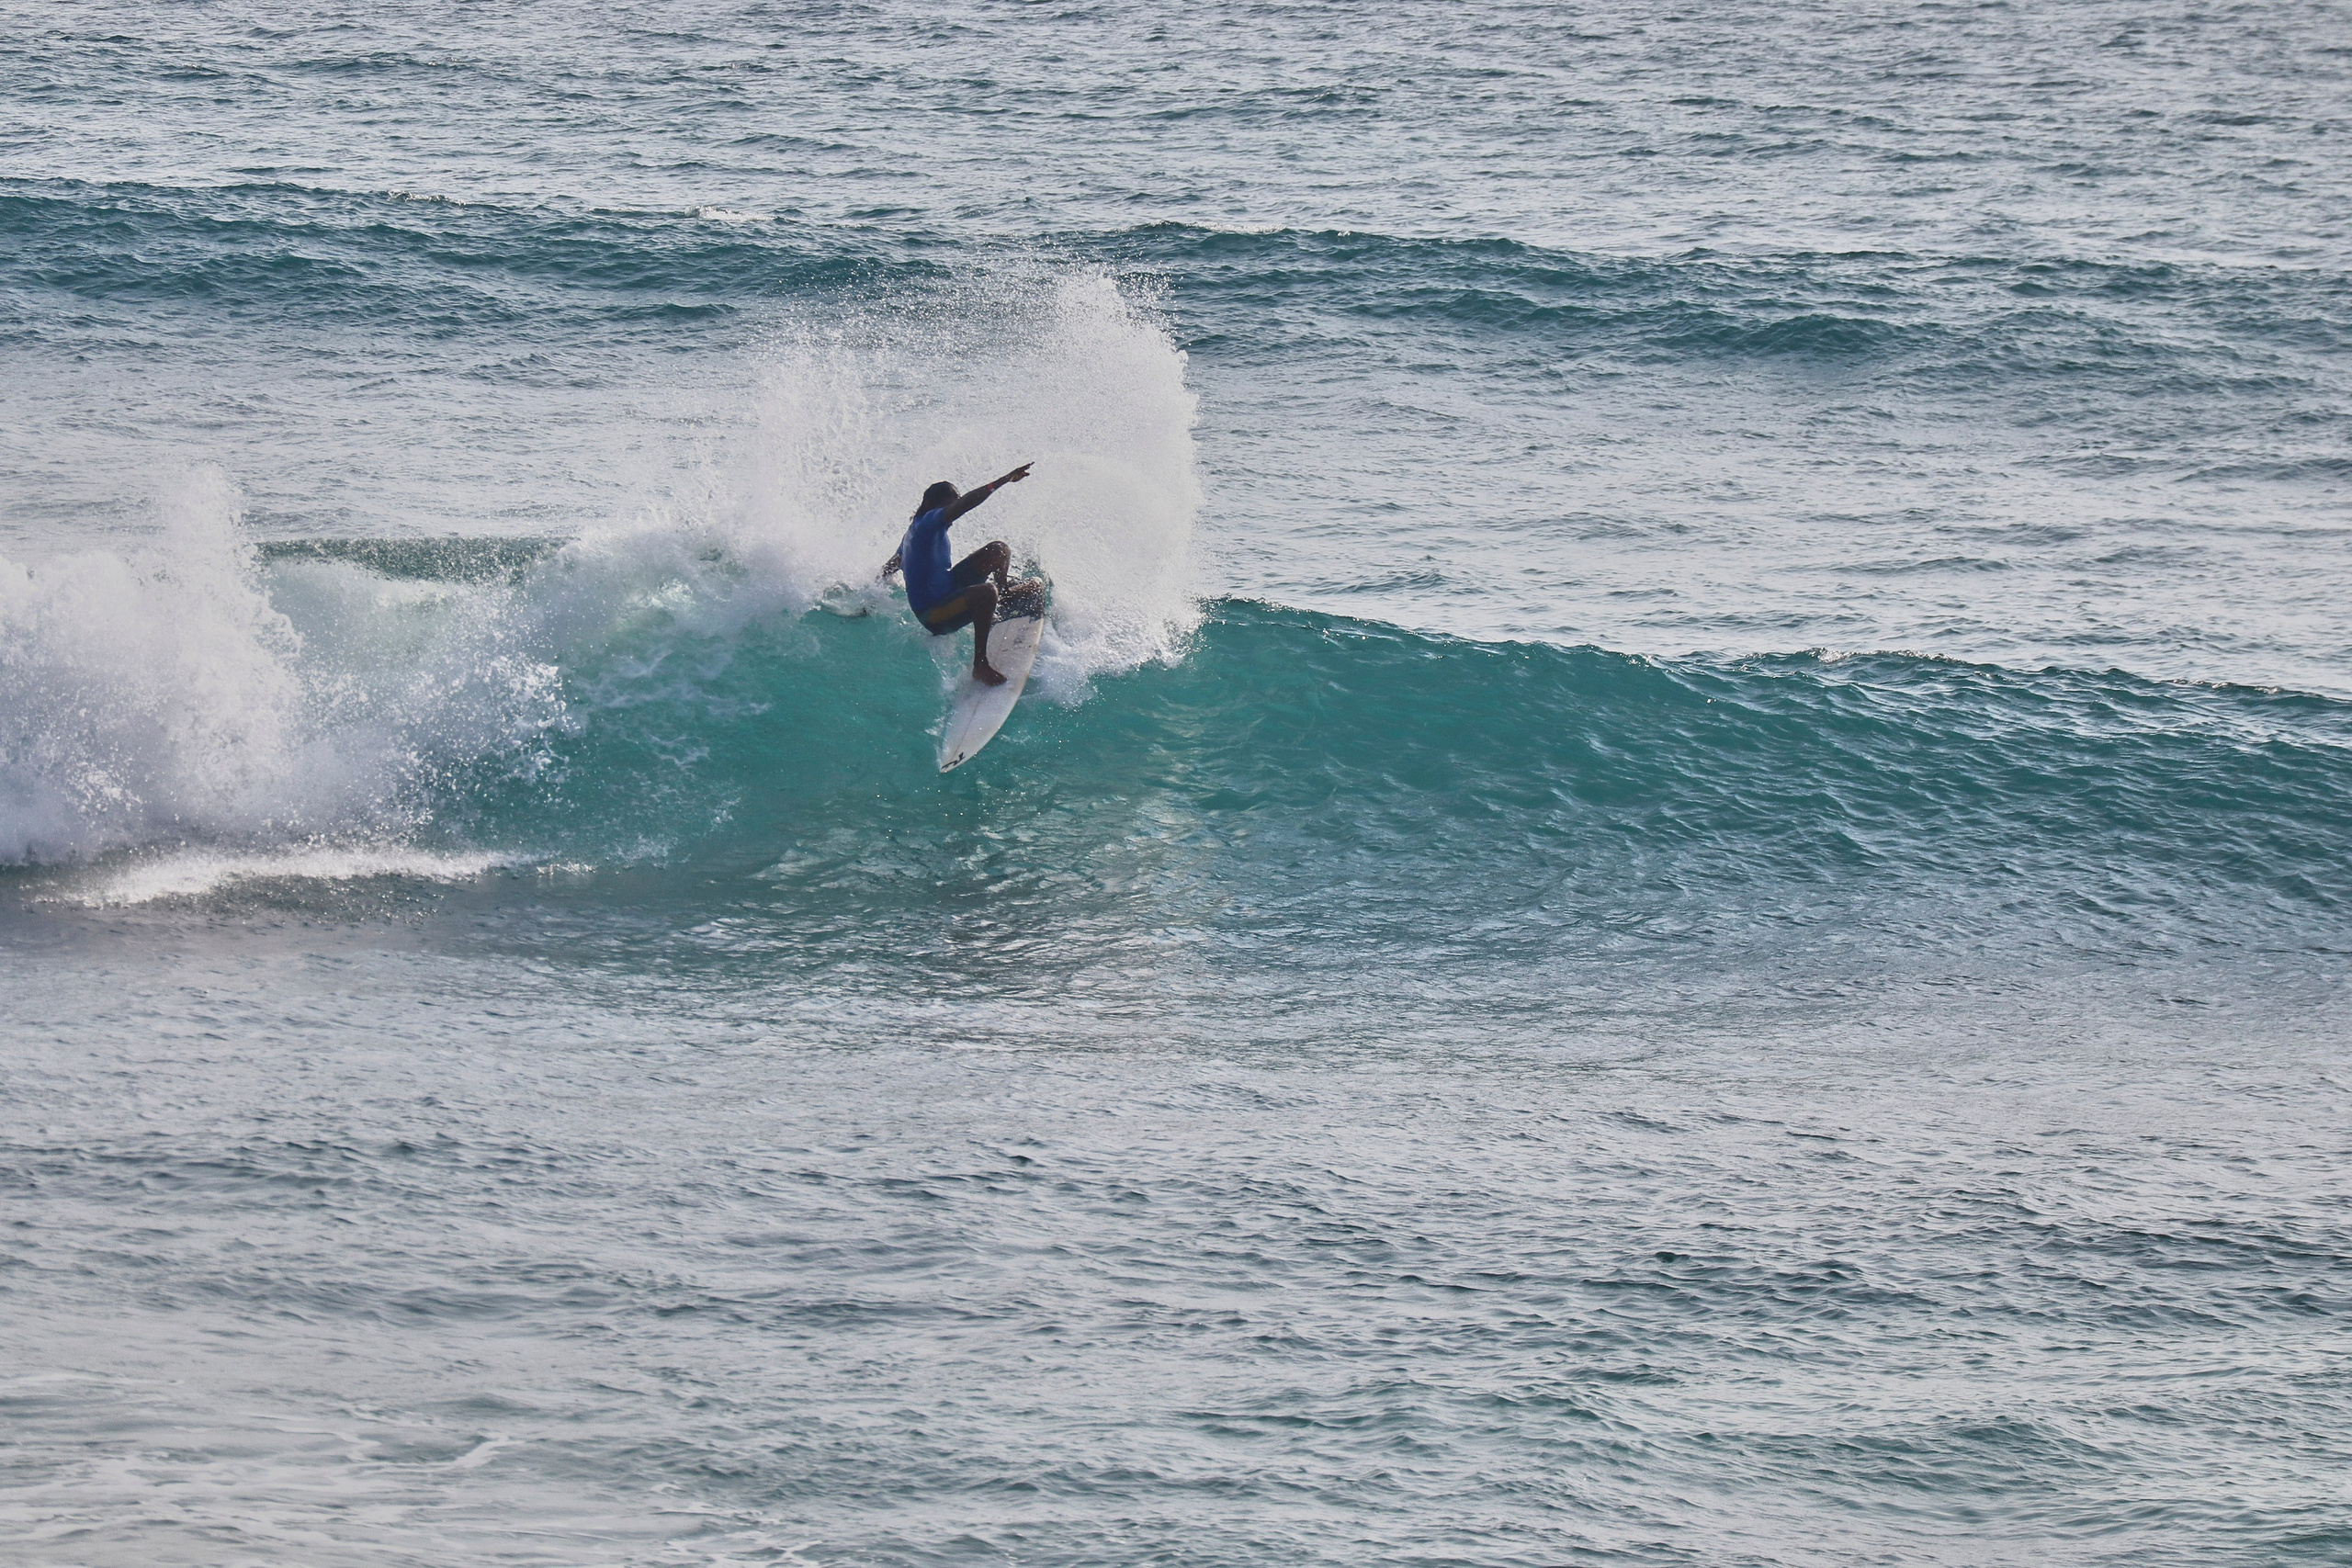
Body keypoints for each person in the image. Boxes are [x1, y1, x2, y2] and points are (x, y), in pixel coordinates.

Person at [882, 463, 1042, 685]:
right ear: (929, 504)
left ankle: (1003, 596)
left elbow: (891, 565)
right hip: (934, 614)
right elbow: (966, 504)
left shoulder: (915, 532)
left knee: (998, 550)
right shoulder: (928, 524)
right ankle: (980, 665)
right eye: (949, 508)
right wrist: (1003, 480)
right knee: (986, 592)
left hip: (949, 587)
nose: (952, 514)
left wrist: (870, 592)